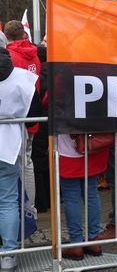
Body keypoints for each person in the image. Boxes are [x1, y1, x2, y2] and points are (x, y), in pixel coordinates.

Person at [0, 48, 37, 272]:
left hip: (10, 145)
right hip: (8, 145)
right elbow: (34, 111)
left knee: (7, 200)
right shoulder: (21, 77)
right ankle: (9, 253)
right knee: (7, 201)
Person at [3, 20, 40, 217]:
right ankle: (29, 209)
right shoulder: (33, 54)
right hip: (31, 116)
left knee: (15, 165)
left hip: (15, 119)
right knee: (27, 162)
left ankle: (19, 209)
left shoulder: (11, 56)